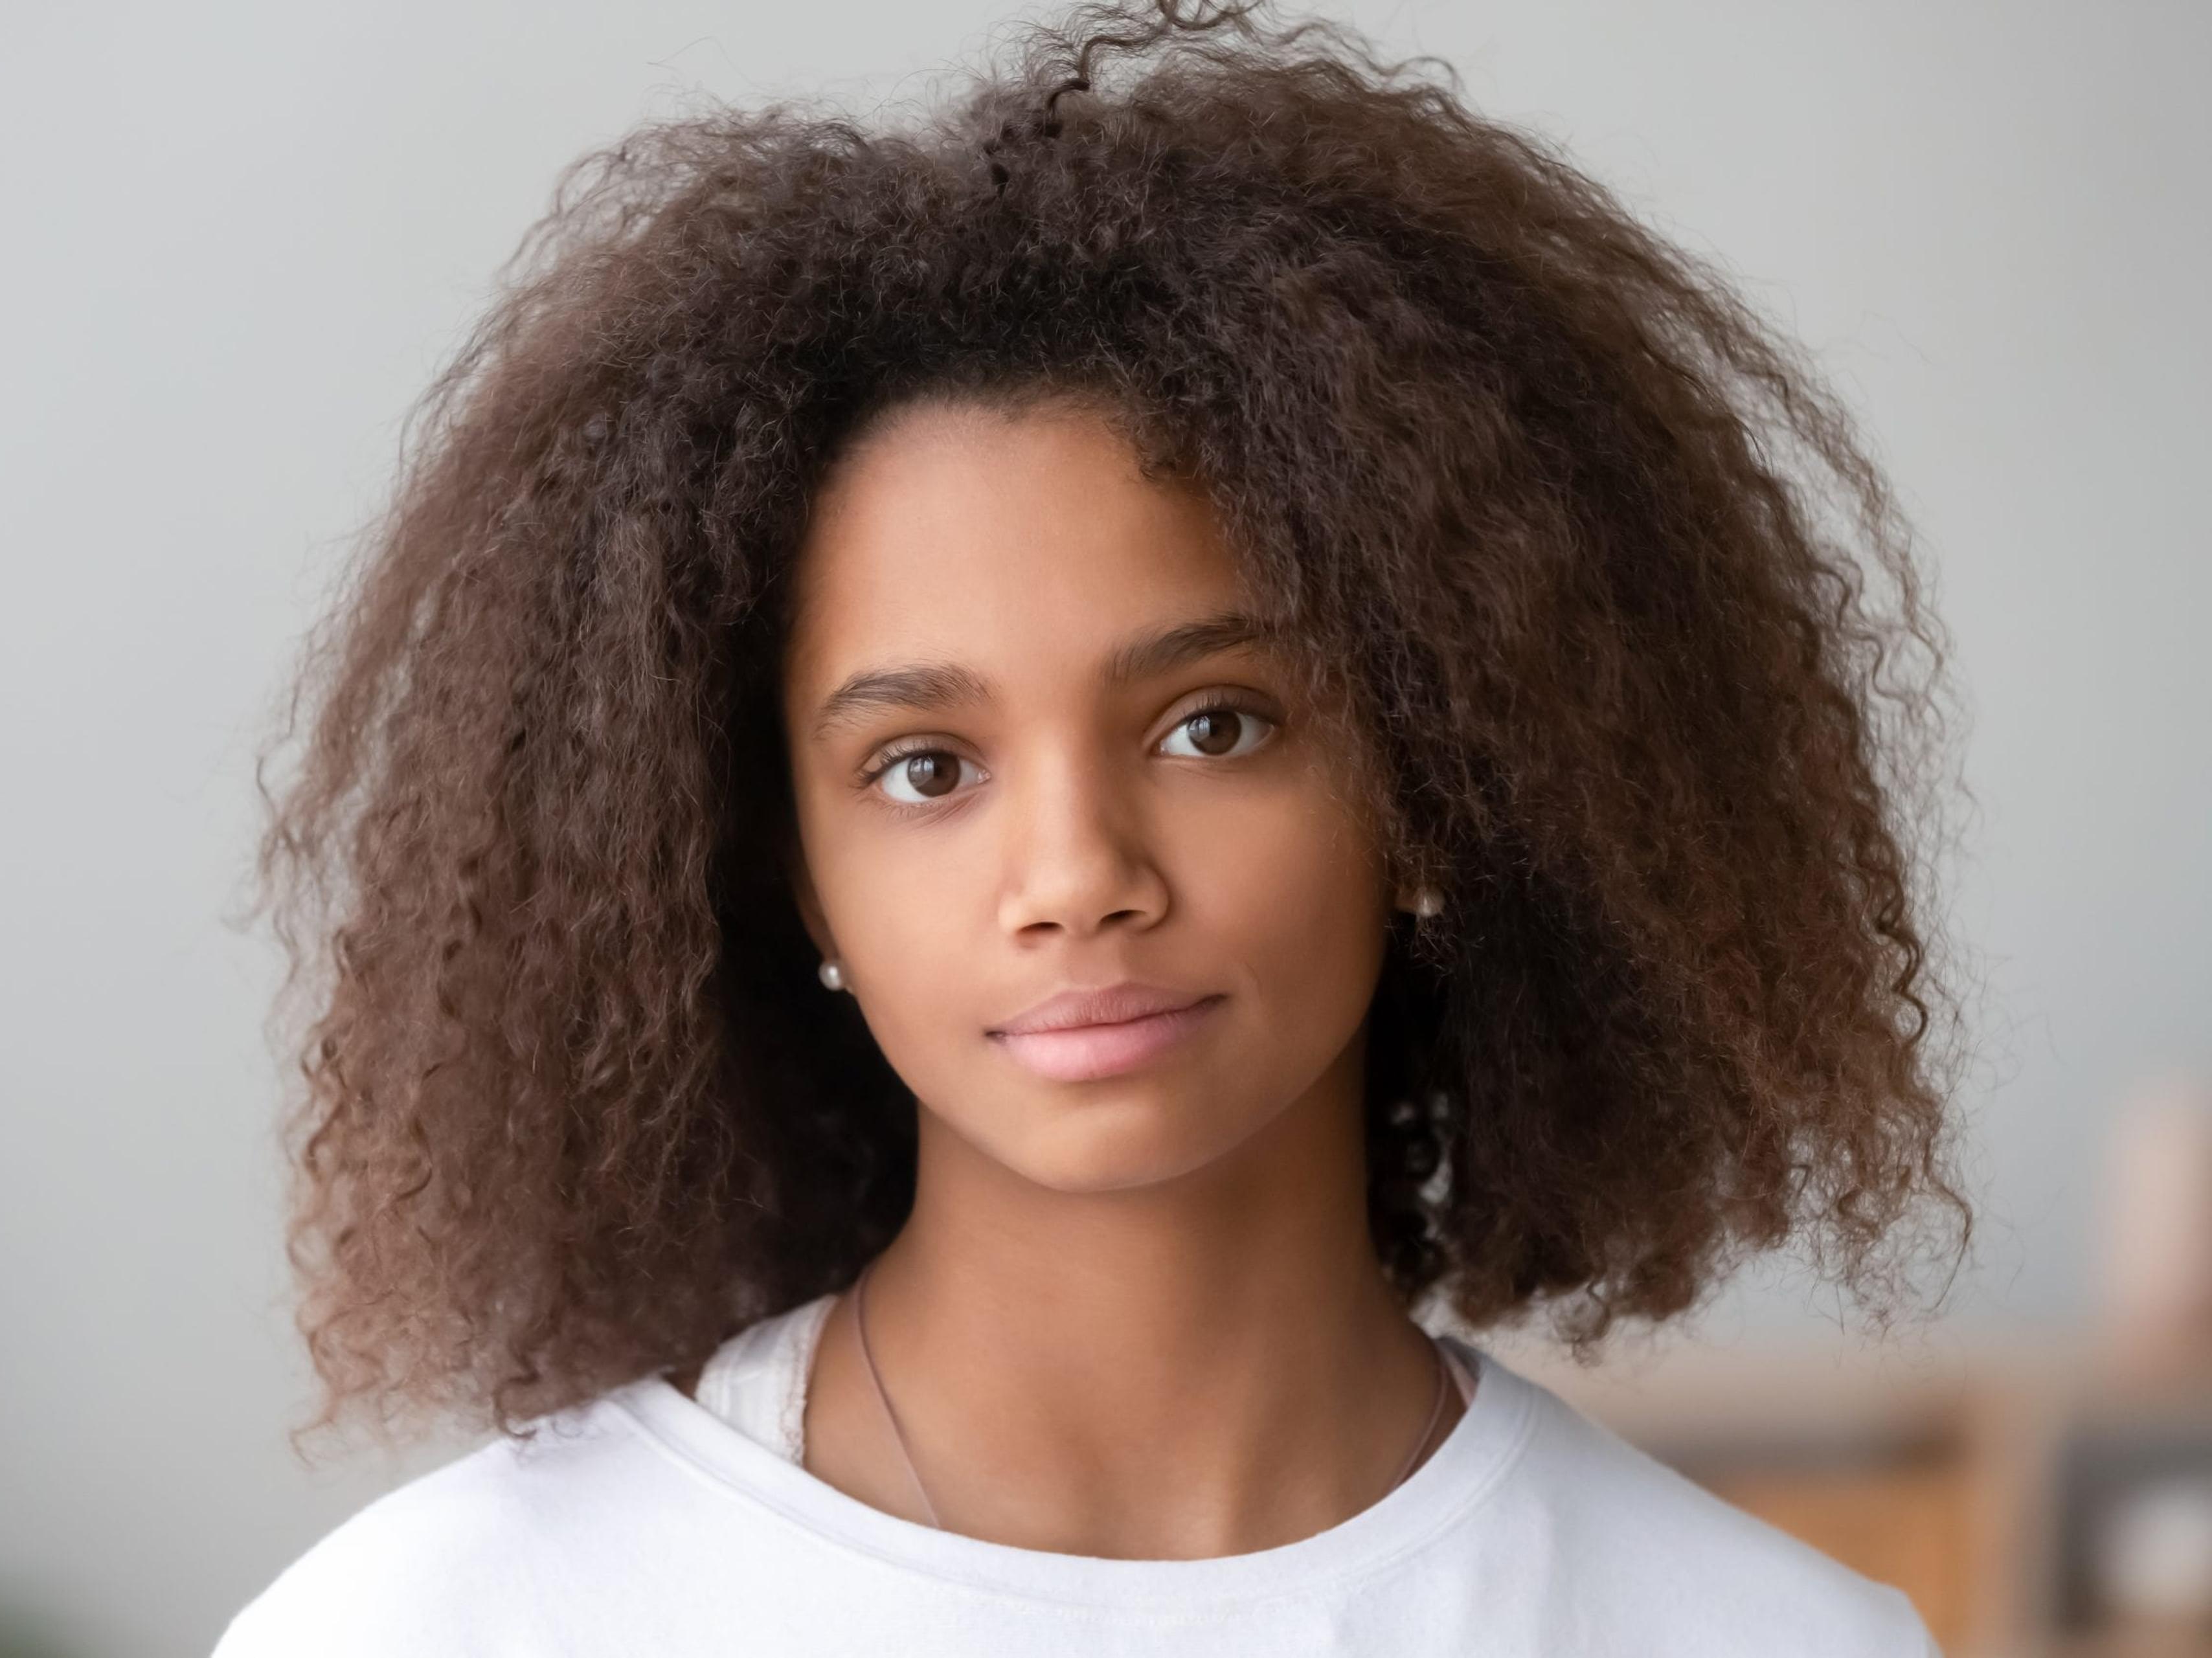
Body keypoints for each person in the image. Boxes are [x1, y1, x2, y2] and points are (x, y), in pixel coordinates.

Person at [215, 1, 1972, 1650]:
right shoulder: (440, 1629)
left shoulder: (1757, 1637)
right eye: (925, 765)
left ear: (1439, 780)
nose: (1077, 878)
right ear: (782, 865)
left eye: (1216, 725)